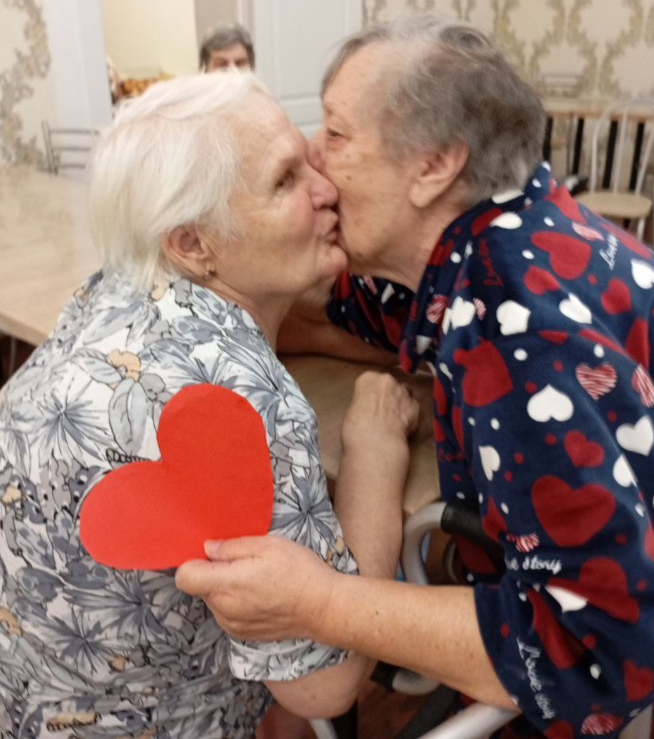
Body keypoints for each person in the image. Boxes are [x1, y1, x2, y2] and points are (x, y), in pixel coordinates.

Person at [176, 15, 654, 738]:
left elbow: (598, 655)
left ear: (434, 165)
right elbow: (356, 311)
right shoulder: (506, 233)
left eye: (336, 133)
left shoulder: (515, 327)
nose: (312, 152)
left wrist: (321, 601)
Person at [0, 71, 419, 738]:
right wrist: (375, 448)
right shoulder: (241, 399)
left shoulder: (116, 284)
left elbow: (278, 323)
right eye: (285, 181)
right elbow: (325, 684)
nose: (325, 188)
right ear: (193, 242)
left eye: (308, 159)